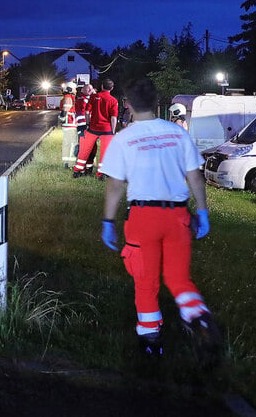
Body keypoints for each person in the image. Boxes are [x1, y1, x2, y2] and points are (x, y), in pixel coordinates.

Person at [101, 78, 221, 360]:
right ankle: (199, 317)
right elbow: (195, 176)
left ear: (127, 104)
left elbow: (115, 185)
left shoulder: (124, 138)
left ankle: (151, 341)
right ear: (157, 103)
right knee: (179, 279)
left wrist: (108, 221)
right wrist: (201, 212)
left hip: (143, 218)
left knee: (146, 282)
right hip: (178, 216)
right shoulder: (177, 134)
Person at [73, 79, 118, 179]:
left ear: (102, 86)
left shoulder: (94, 97)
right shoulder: (113, 100)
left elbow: (87, 112)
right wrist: (113, 131)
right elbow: (113, 118)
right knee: (105, 152)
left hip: (92, 128)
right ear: (112, 88)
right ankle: (102, 174)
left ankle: (78, 171)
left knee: (84, 150)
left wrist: (88, 124)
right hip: (106, 130)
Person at [59, 82, 78, 168]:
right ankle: (70, 164)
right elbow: (65, 111)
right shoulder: (68, 98)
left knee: (67, 144)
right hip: (70, 124)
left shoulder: (67, 97)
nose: (76, 91)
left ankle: (66, 162)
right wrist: (63, 120)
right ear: (70, 89)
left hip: (68, 124)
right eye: (75, 89)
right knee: (72, 144)